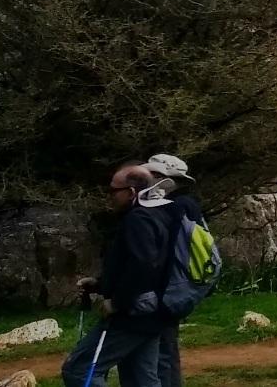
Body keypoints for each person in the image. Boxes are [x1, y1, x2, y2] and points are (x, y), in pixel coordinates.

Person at [62, 165, 176, 387]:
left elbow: (143, 265)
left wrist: (117, 302)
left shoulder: (138, 219)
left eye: (114, 191)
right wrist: (100, 284)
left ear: (131, 192)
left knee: (79, 370)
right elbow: (146, 264)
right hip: (155, 310)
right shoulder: (160, 215)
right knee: (141, 379)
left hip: (133, 311)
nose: (110, 196)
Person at [142, 154, 203, 387]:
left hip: (168, 286)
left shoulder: (173, 207)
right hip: (181, 285)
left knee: (163, 353)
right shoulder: (186, 204)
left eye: (152, 174)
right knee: (166, 348)